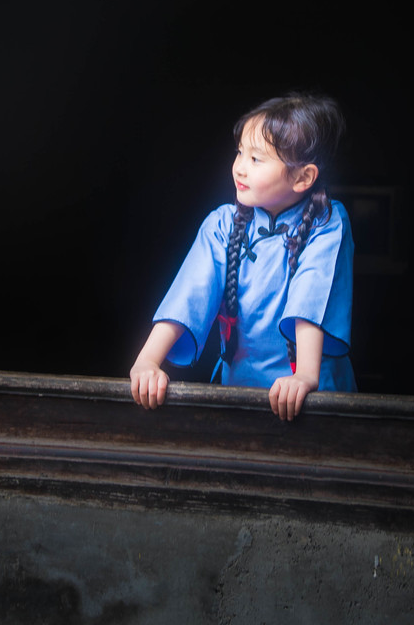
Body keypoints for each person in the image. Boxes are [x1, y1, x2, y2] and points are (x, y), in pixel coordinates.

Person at [130, 93, 356, 420]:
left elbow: (312, 293)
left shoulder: (327, 221)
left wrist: (305, 375)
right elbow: (189, 293)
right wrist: (147, 362)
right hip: (237, 394)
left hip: (311, 397)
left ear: (303, 177)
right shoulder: (222, 223)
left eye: (256, 159)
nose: (240, 168)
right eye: (240, 153)